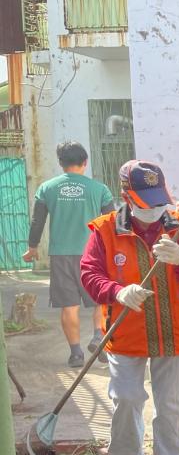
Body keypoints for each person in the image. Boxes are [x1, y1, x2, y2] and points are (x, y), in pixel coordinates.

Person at [80, 160, 179, 455]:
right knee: (126, 396)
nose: (156, 209)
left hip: (175, 330)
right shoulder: (105, 230)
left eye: (159, 200)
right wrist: (117, 292)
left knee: (172, 402)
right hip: (125, 331)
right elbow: (90, 275)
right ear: (126, 196)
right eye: (147, 203)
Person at [24, 141, 115, 367]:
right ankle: (98, 335)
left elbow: (37, 221)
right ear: (85, 162)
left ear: (61, 163)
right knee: (100, 299)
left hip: (61, 255)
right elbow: (111, 223)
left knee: (69, 305)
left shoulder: (47, 188)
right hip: (93, 254)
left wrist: (32, 247)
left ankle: (76, 354)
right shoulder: (100, 189)